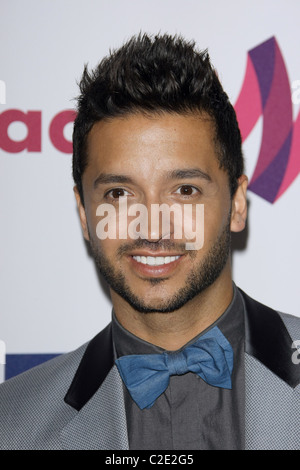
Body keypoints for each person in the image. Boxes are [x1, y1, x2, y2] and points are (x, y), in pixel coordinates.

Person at [0, 33, 299, 451]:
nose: (153, 228)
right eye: (119, 194)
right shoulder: (12, 422)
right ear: (85, 215)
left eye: (185, 190)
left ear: (236, 204)